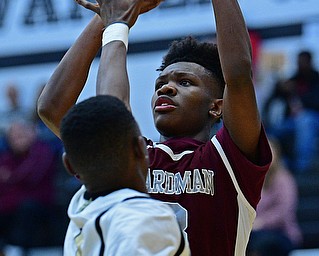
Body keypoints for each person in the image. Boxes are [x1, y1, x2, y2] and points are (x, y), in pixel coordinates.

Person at [37, 0, 272, 255]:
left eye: (185, 82)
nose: (166, 88)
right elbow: (54, 108)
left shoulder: (229, 158)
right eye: (160, 83)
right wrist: (112, 14)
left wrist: (117, 21)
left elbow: (238, 76)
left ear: (217, 107)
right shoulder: (133, 155)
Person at [60, 94, 190, 255]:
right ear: (140, 148)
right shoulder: (146, 218)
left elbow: (48, 107)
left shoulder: (80, 206)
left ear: (69, 166)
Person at [0, 118, 57, 255]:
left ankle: (16, 249)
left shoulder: (43, 151)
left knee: (26, 207)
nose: (18, 139)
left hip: (38, 203)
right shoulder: (7, 156)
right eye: (14, 136)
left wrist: (10, 177)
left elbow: (32, 177)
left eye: (22, 134)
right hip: (10, 202)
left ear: (32, 134)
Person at [264, 50, 319, 173]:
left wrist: (300, 98)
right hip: (293, 120)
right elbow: (273, 99)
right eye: (299, 62)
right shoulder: (294, 79)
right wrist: (279, 88)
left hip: (313, 118)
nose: (300, 65)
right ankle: (281, 162)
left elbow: (316, 101)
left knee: (305, 121)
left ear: (310, 62)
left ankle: (302, 166)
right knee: (275, 130)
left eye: (303, 62)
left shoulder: (316, 79)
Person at [247, 138, 303, 256]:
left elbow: (284, 211)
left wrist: (261, 222)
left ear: (277, 155)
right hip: (256, 231)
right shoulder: (253, 179)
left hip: (282, 233)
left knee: (260, 243)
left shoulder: (284, 179)